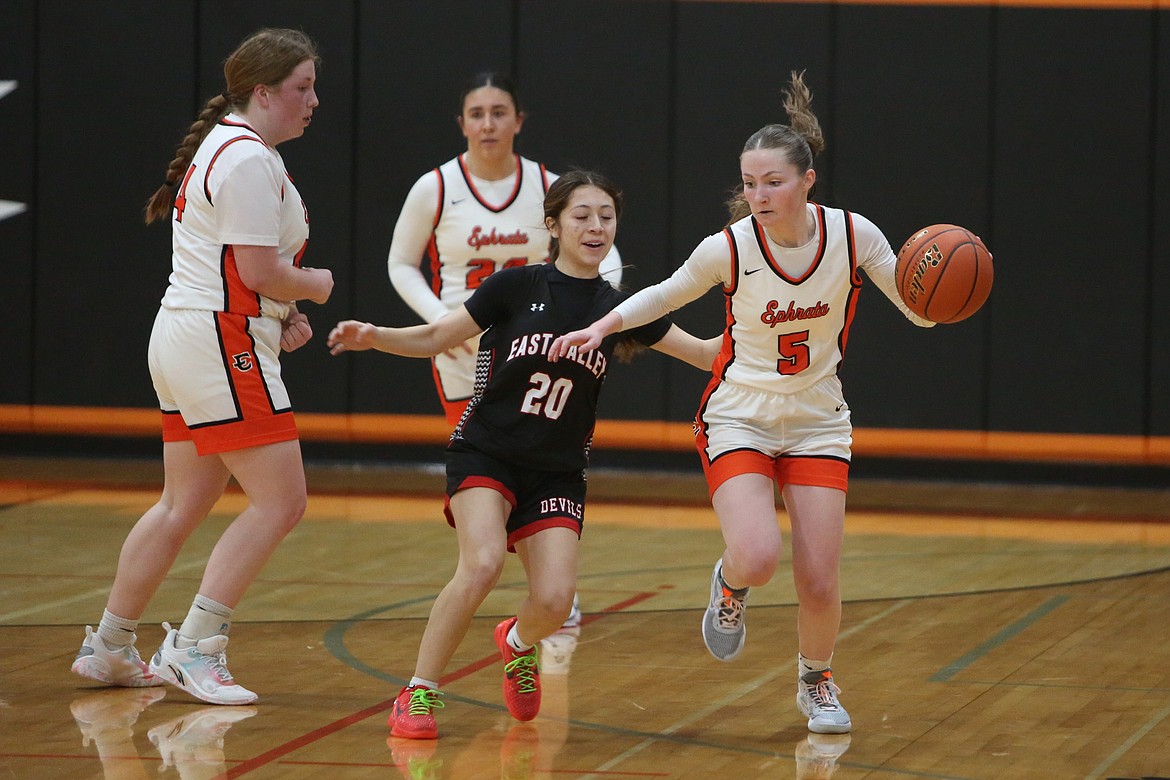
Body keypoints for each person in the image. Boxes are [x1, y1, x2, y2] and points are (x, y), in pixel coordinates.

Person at [549, 71, 935, 735]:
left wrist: (940, 298)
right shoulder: (729, 247)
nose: (757, 194)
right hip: (739, 416)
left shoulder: (854, 236)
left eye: (772, 182)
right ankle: (730, 588)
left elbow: (920, 313)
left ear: (806, 180)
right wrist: (601, 326)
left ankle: (817, 680)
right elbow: (666, 294)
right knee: (756, 555)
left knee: (819, 577)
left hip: (818, 420)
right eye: (750, 182)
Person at [329, 170, 717, 739]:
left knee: (556, 601)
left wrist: (766, 329)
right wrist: (376, 335)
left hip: (557, 469)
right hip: (486, 450)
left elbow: (708, 354)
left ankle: (516, 641)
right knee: (481, 562)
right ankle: (417, 693)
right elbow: (437, 338)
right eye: (581, 215)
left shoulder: (623, 309)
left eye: (606, 216)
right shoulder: (514, 287)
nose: (595, 227)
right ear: (554, 224)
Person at [69, 28, 334, 706]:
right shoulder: (246, 159)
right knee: (282, 501)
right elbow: (256, 268)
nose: (313, 100)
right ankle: (192, 645)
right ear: (263, 91)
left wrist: (279, 312)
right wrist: (315, 286)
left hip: (193, 334)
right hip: (217, 340)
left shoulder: (233, 148)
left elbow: (244, 273)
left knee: (182, 502)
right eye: (302, 87)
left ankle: (108, 646)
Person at [386, 72, 623, 428]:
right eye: (477, 114)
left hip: (537, 343)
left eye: (499, 113)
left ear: (519, 120)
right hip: (463, 345)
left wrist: (595, 314)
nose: (488, 125)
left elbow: (607, 251)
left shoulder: (547, 185)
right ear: (462, 124)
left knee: (533, 454)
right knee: (473, 457)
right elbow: (401, 263)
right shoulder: (434, 187)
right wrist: (440, 319)